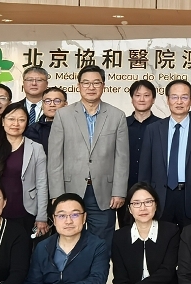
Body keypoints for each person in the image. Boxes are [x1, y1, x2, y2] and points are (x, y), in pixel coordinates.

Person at [48, 65, 130, 243]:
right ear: (78, 86)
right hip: (70, 189)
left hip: (104, 193)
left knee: (102, 242)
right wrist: (57, 194)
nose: (91, 87)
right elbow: (55, 159)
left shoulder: (117, 116)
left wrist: (119, 191)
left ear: (103, 85)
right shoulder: (63, 115)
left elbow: (122, 158)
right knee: (69, 239)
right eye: (86, 83)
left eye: (96, 83)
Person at [138, 79, 191, 228]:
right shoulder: (153, 130)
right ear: (167, 100)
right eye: (174, 97)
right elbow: (145, 170)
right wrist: (144, 198)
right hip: (160, 197)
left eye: (184, 97)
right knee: (162, 240)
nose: (179, 102)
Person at [0, 103, 48, 236]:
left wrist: (42, 216)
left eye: (21, 120)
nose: (16, 124)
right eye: (11, 119)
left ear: (27, 123)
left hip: (26, 212)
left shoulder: (36, 148)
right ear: (3, 121)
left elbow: (42, 184)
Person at [126, 80, 162, 194]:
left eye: (146, 95)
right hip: (125, 187)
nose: (142, 99)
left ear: (153, 99)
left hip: (154, 187)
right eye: (137, 95)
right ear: (132, 99)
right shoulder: (122, 124)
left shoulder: (162, 126)